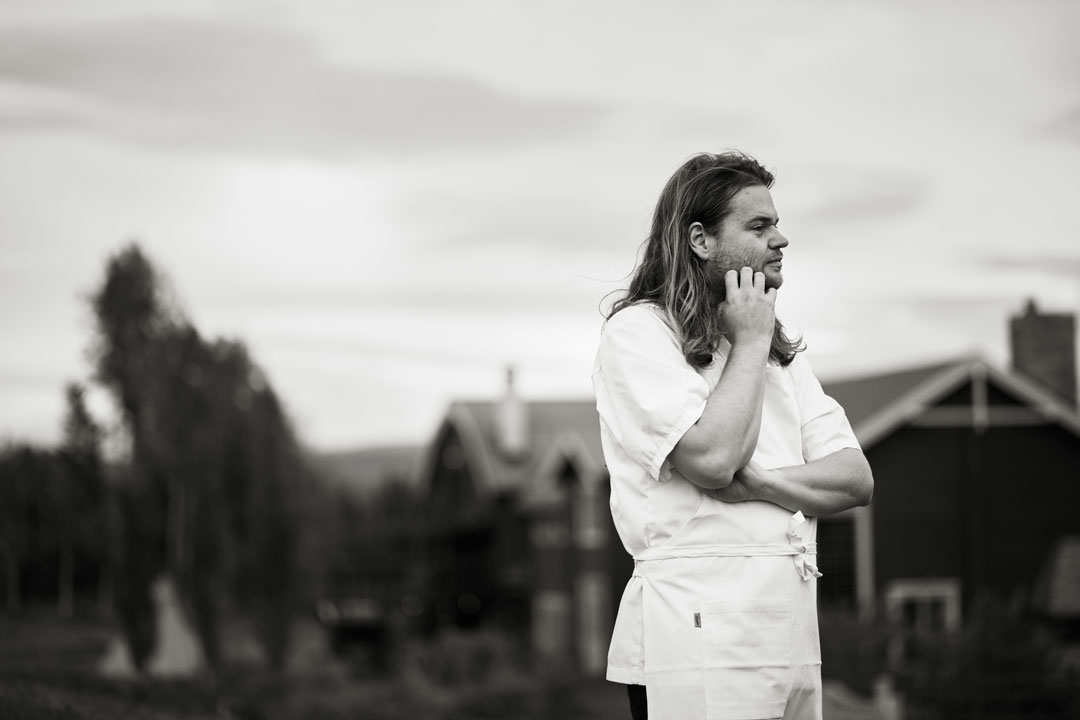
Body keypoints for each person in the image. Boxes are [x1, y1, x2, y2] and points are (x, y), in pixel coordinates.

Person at [592, 151, 874, 720]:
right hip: (694, 631)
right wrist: (747, 341)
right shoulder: (639, 334)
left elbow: (854, 479)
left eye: (777, 223)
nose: (781, 240)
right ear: (701, 240)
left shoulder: (778, 351)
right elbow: (715, 459)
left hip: (792, 634)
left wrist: (763, 482)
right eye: (759, 225)